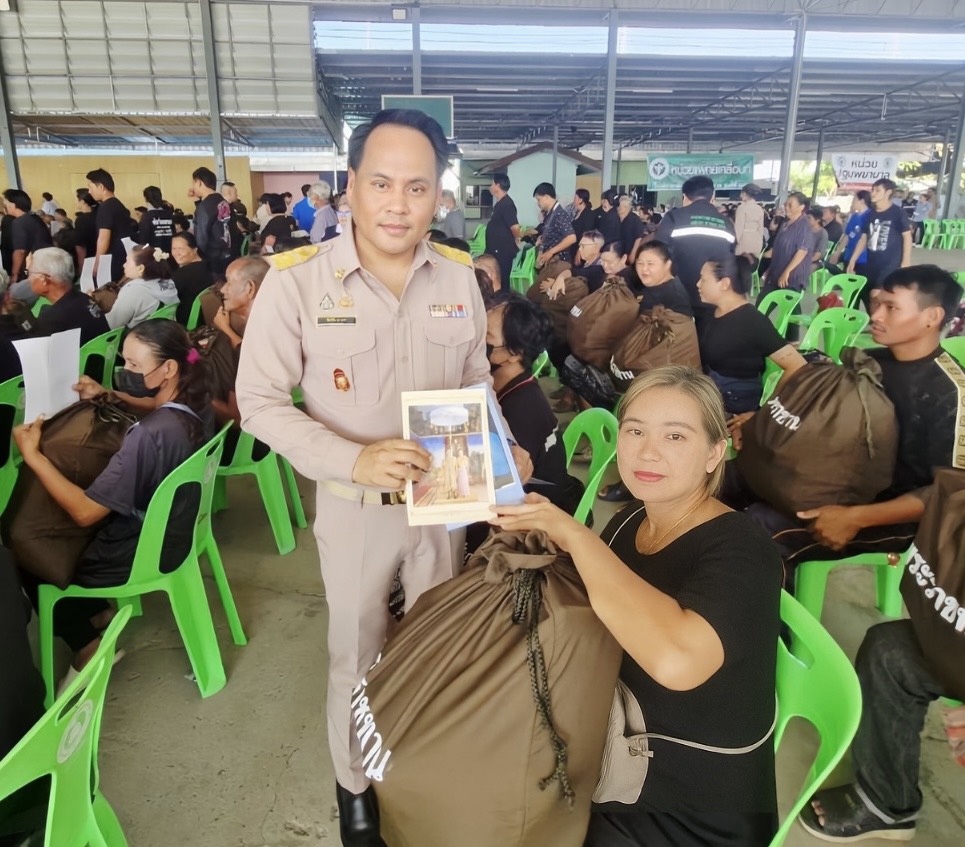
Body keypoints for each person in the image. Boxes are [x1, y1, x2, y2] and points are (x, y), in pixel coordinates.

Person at [235, 108, 532, 846]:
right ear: (351, 187)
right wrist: (353, 458)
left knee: (436, 644)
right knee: (357, 653)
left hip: (444, 499)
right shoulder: (298, 283)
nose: (398, 204)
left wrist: (502, 450)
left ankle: (417, 771)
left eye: (416, 187)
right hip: (355, 507)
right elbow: (258, 403)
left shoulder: (458, 277)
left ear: (438, 196)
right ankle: (356, 790)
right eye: (381, 183)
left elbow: (474, 379)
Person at [492, 366, 782, 847]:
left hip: (688, 808)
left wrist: (576, 536)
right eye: (635, 431)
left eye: (675, 436)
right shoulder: (629, 521)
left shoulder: (744, 549)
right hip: (612, 745)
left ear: (715, 453)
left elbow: (677, 662)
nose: (648, 452)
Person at [733, 265, 963, 579]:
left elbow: (951, 494)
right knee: (717, 477)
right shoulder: (873, 360)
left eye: (891, 307)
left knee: (759, 531)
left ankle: (758, 608)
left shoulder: (950, 393)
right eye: (876, 303)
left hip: (888, 514)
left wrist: (856, 517)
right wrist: (761, 424)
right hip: (829, 478)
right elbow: (821, 412)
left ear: (931, 317)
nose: (875, 315)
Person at [12, 320, 212, 679]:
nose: (126, 370)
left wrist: (33, 456)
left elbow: (86, 513)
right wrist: (108, 394)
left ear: (168, 368)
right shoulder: (196, 398)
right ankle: (98, 613)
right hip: (178, 527)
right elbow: (156, 405)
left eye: (134, 364)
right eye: (125, 361)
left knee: (29, 549)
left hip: (142, 550)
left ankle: (87, 646)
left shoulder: (148, 436)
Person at [487, 294, 578, 512]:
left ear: (513, 354)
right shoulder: (514, 386)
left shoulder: (521, 410)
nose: (476, 342)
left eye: (486, 337)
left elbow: (503, 486)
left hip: (539, 511)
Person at [696, 254, 806, 415]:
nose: (698, 284)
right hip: (713, 390)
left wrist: (764, 411)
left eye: (703, 279)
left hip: (735, 401)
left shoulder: (752, 321)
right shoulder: (711, 313)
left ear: (725, 283)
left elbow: (797, 365)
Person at [652, 176, 736, 323]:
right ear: (712, 197)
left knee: (677, 334)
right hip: (712, 298)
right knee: (705, 335)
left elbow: (657, 252)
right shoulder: (727, 224)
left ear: (685, 197)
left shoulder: (674, 218)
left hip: (677, 296)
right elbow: (731, 257)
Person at [847, 178, 912, 311]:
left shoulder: (897, 212)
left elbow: (907, 237)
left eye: (877, 190)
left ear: (888, 192)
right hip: (871, 263)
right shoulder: (870, 213)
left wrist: (905, 262)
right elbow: (864, 238)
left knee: (876, 294)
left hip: (890, 264)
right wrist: (853, 259)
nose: (873, 193)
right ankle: (875, 320)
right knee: (868, 296)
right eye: (873, 190)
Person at [27, 247, 109, 343]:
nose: (28, 279)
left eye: (29, 273)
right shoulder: (86, 298)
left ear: (44, 280)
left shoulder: (51, 320)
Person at [105, 244, 179, 330]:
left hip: (142, 335)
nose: (124, 265)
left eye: (127, 261)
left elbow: (112, 324)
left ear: (140, 268)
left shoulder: (134, 290)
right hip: (168, 333)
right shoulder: (168, 282)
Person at [759, 191, 813, 299]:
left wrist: (787, 272)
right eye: (785, 204)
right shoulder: (784, 224)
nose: (786, 207)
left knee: (787, 305)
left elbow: (802, 251)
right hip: (776, 271)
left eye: (790, 205)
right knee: (763, 302)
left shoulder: (804, 225)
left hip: (792, 276)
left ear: (801, 207)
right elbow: (779, 245)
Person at [86, 168, 130, 282]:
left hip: (111, 262)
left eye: (90, 187)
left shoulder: (105, 208)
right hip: (123, 258)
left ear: (101, 187)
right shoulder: (119, 205)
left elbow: (103, 238)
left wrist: (97, 264)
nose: (89, 192)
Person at [3, 189, 52, 284]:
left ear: (13, 205)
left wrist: (15, 274)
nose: (5, 207)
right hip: (48, 264)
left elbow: (20, 251)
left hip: (38, 269)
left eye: (6, 204)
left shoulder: (19, 222)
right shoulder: (35, 218)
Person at [633, 240, 693, 317]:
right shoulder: (645, 283)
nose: (644, 268)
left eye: (650, 264)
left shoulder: (676, 299)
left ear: (667, 264)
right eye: (640, 263)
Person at [190, 167, 231, 275]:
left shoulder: (204, 206)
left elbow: (201, 237)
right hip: (229, 254)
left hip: (213, 259)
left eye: (194, 183)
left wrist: (198, 258)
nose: (193, 187)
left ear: (199, 182)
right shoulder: (223, 202)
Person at [170, 232, 213, 325]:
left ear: (194, 250)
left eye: (180, 249)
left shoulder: (182, 274)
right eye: (173, 249)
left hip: (184, 321)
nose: (176, 253)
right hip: (205, 317)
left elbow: (165, 295)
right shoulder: (207, 265)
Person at [533, 182, 576, 275]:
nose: (538, 203)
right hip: (550, 262)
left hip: (559, 263)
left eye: (539, 200)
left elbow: (571, 238)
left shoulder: (559, 214)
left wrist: (550, 252)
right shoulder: (550, 214)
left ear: (546, 197)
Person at [486, 172, 521, 287]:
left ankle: (503, 298)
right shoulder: (500, 204)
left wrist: (517, 239)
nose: (490, 186)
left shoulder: (507, 204)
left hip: (503, 252)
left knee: (502, 280)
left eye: (492, 184)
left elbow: (515, 227)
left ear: (497, 185)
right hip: (496, 250)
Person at [827, 191, 871, 276]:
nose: (852, 202)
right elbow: (847, 235)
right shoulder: (854, 216)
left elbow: (864, 239)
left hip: (862, 258)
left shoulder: (869, 215)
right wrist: (837, 252)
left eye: (854, 199)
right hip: (849, 254)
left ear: (862, 201)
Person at [139, 186, 174, 255]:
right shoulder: (169, 215)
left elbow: (144, 240)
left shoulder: (146, 217)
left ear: (146, 198)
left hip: (152, 255)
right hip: (170, 253)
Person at [734, 183, 766, 258]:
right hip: (756, 240)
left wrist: (736, 242)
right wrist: (760, 241)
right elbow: (761, 228)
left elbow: (738, 228)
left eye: (741, 193)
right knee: (754, 262)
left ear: (744, 194)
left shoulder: (741, 208)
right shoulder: (759, 209)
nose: (740, 196)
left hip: (744, 239)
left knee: (742, 262)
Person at [73, 192, 99, 268]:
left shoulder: (81, 220)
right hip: (104, 256)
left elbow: (80, 245)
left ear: (83, 201)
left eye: (77, 200)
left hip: (90, 259)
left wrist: (81, 265)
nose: (76, 202)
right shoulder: (100, 214)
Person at [618, 194, 645, 264]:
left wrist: (633, 253)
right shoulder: (616, 218)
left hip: (629, 254)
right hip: (618, 254)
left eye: (619, 206)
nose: (617, 208)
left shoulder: (635, 219)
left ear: (626, 207)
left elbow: (638, 238)